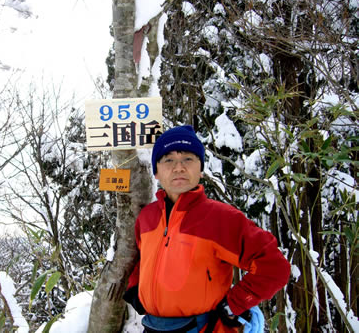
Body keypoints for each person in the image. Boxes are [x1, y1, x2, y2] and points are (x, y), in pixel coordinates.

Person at [123, 125, 291, 332]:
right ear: (156, 172)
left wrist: (235, 303)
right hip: (153, 326)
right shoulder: (147, 218)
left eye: (188, 159)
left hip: (204, 327)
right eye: (168, 160)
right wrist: (134, 289)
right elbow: (140, 259)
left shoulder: (221, 218)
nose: (179, 167)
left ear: (200, 170)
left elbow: (274, 267)